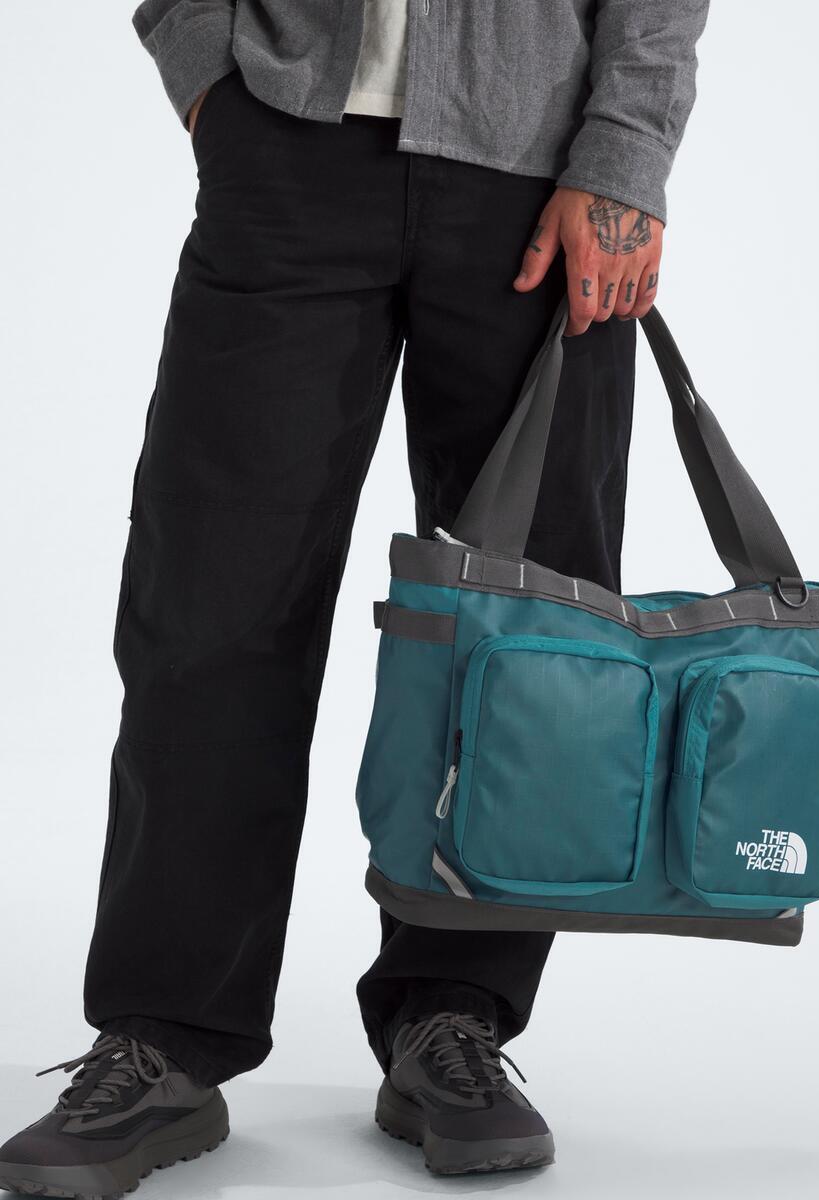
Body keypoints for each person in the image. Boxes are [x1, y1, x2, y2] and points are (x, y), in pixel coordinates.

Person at [0, 0, 709, 1190]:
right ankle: (165, 1035)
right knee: (209, 612)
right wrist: (206, 74)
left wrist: (626, 155)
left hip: (539, 175)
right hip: (284, 149)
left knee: (522, 636)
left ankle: (454, 1014)